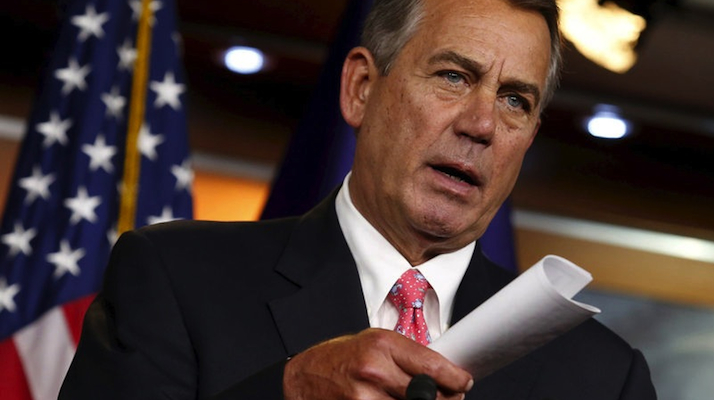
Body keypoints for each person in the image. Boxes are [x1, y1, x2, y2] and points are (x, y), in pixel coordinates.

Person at [59, 0, 657, 399]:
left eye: (515, 101)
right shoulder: (176, 278)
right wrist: (287, 390)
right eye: (454, 76)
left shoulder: (602, 376)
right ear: (362, 89)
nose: (482, 124)